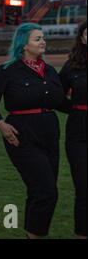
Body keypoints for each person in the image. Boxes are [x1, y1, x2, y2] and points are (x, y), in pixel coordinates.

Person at [0, 23, 68, 239]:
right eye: (37, 38)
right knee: (47, 192)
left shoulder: (48, 70)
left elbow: (62, 103)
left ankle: (32, 235)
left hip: (49, 135)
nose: (43, 42)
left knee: (38, 191)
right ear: (24, 44)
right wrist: (1, 125)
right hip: (21, 137)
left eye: (43, 37)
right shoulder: (8, 70)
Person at [59, 21, 87, 239]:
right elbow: (58, 96)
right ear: (82, 38)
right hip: (78, 134)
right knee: (83, 189)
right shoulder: (71, 66)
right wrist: (77, 111)